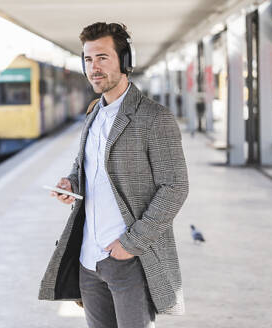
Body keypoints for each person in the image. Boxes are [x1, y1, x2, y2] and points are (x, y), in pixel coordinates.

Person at [38, 22, 189, 328]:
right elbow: (85, 167)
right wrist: (71, 184)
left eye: (103, 58)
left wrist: (130, 244)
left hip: (128, 259)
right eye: (88, 59)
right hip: (87, 259)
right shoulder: (94, 112)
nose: (94, 67)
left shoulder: (154, 118)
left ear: (125, 61)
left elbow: (175, 187)